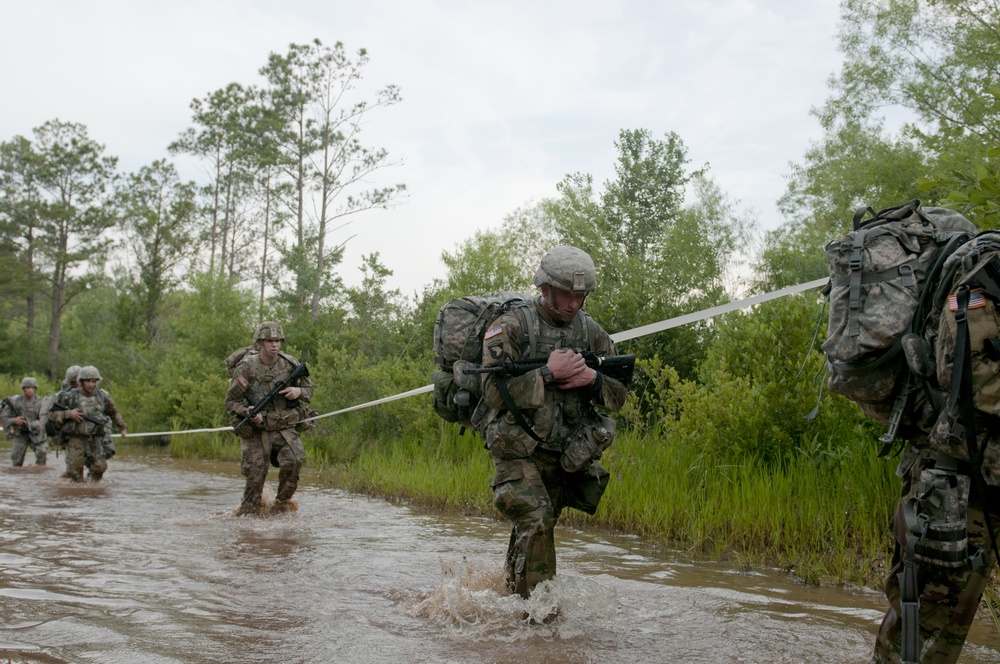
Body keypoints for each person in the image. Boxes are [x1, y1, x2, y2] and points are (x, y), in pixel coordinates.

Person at [479, 245, 628, 599]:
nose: (574, 303)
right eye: (567, 294)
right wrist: (547, 374)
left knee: (535, 529)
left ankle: (512, 603)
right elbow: (492, 393)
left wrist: (591, 380)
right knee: (537, 519)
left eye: (581, 296)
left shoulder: (591, 332)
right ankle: (541, 621)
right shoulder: (510, 326)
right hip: (515, 448)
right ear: (545, 289)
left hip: (562, 453)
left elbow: (620, 393)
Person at [226, 321, 314, 516]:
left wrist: (297, 391)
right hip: (256, 430)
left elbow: (309, 392)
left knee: (294, 461)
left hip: (283, 427)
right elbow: (231, 402)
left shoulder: (290, 363)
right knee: (255, 478)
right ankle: (248, 522)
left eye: (277, 341)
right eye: (269, 341)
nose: (274, 345)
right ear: (260, 343)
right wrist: (247, 412)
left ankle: (282, 506)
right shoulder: (246, 368)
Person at [48, 365, 127, 482]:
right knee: (74, 471)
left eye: (93, 381)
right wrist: (69, 414)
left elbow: (113, 413)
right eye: (88, 381)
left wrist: (122, 427)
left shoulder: (102, 396)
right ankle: (77, 494)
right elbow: (52, 415)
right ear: (81, 381)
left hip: (96, 438)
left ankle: (92, 491)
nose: (91, 384)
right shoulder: (68, 397)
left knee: (99, 468)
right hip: (76, 438)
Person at [1, 377, 47, 466]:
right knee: (16, 458)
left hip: (35, 432)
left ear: (35, 389)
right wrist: (14, 420)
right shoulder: (15, 402)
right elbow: (3, 417)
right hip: (20, 433)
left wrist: (36, 424)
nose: (30, 390)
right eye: (27, 387)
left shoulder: (40, 402)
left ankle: (39, 474)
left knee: (42, 453)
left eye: (32, 388)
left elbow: (45, 419)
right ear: (23, 389)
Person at [39, 365, 81, 457]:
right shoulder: (61, 397)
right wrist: (68, 414)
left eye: (80, 381)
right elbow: (49, 417)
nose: (78, 384)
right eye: (75, 382)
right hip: (68, 435)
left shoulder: (94, 395)